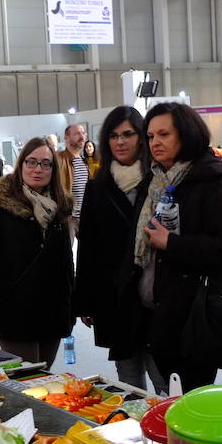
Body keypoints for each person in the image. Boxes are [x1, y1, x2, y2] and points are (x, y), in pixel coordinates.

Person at [138, 102, 222, 392]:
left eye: (164, 134)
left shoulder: (213, 181)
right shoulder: (155, 181)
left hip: (195, 312)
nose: (155, 142)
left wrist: (172, 244)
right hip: (159, 307)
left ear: (185, 135)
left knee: (192, 399)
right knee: (167, 398)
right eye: (150, 136)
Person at [75, 107, 165, 393]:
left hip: (154, 291)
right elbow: (87, 246)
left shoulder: (159, 182)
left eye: (128, 134)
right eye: (113, 136)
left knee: (163, 376)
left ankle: (170, 438)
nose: (120, 142)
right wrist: (85, 301)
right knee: (128, 379)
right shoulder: (98, 187)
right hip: (114, 293)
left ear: (141, 137)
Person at [0, 137, 74, 364]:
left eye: (46, 164)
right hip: (14, 312)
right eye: (31, 162)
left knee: (44, 378)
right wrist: (8, 292)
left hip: (52, 310)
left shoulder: (58, 206)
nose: (38, 169)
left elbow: (66, 259)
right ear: (21, 164)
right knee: (25, 378)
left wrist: (69, 302)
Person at [57, 124, 89, 231]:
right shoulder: (59, 159)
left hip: (84, 215)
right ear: (66, 138)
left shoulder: (84, 161)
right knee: (65, 247)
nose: (82, 136)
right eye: (77, 133)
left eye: (83, 133)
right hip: (68, 217)